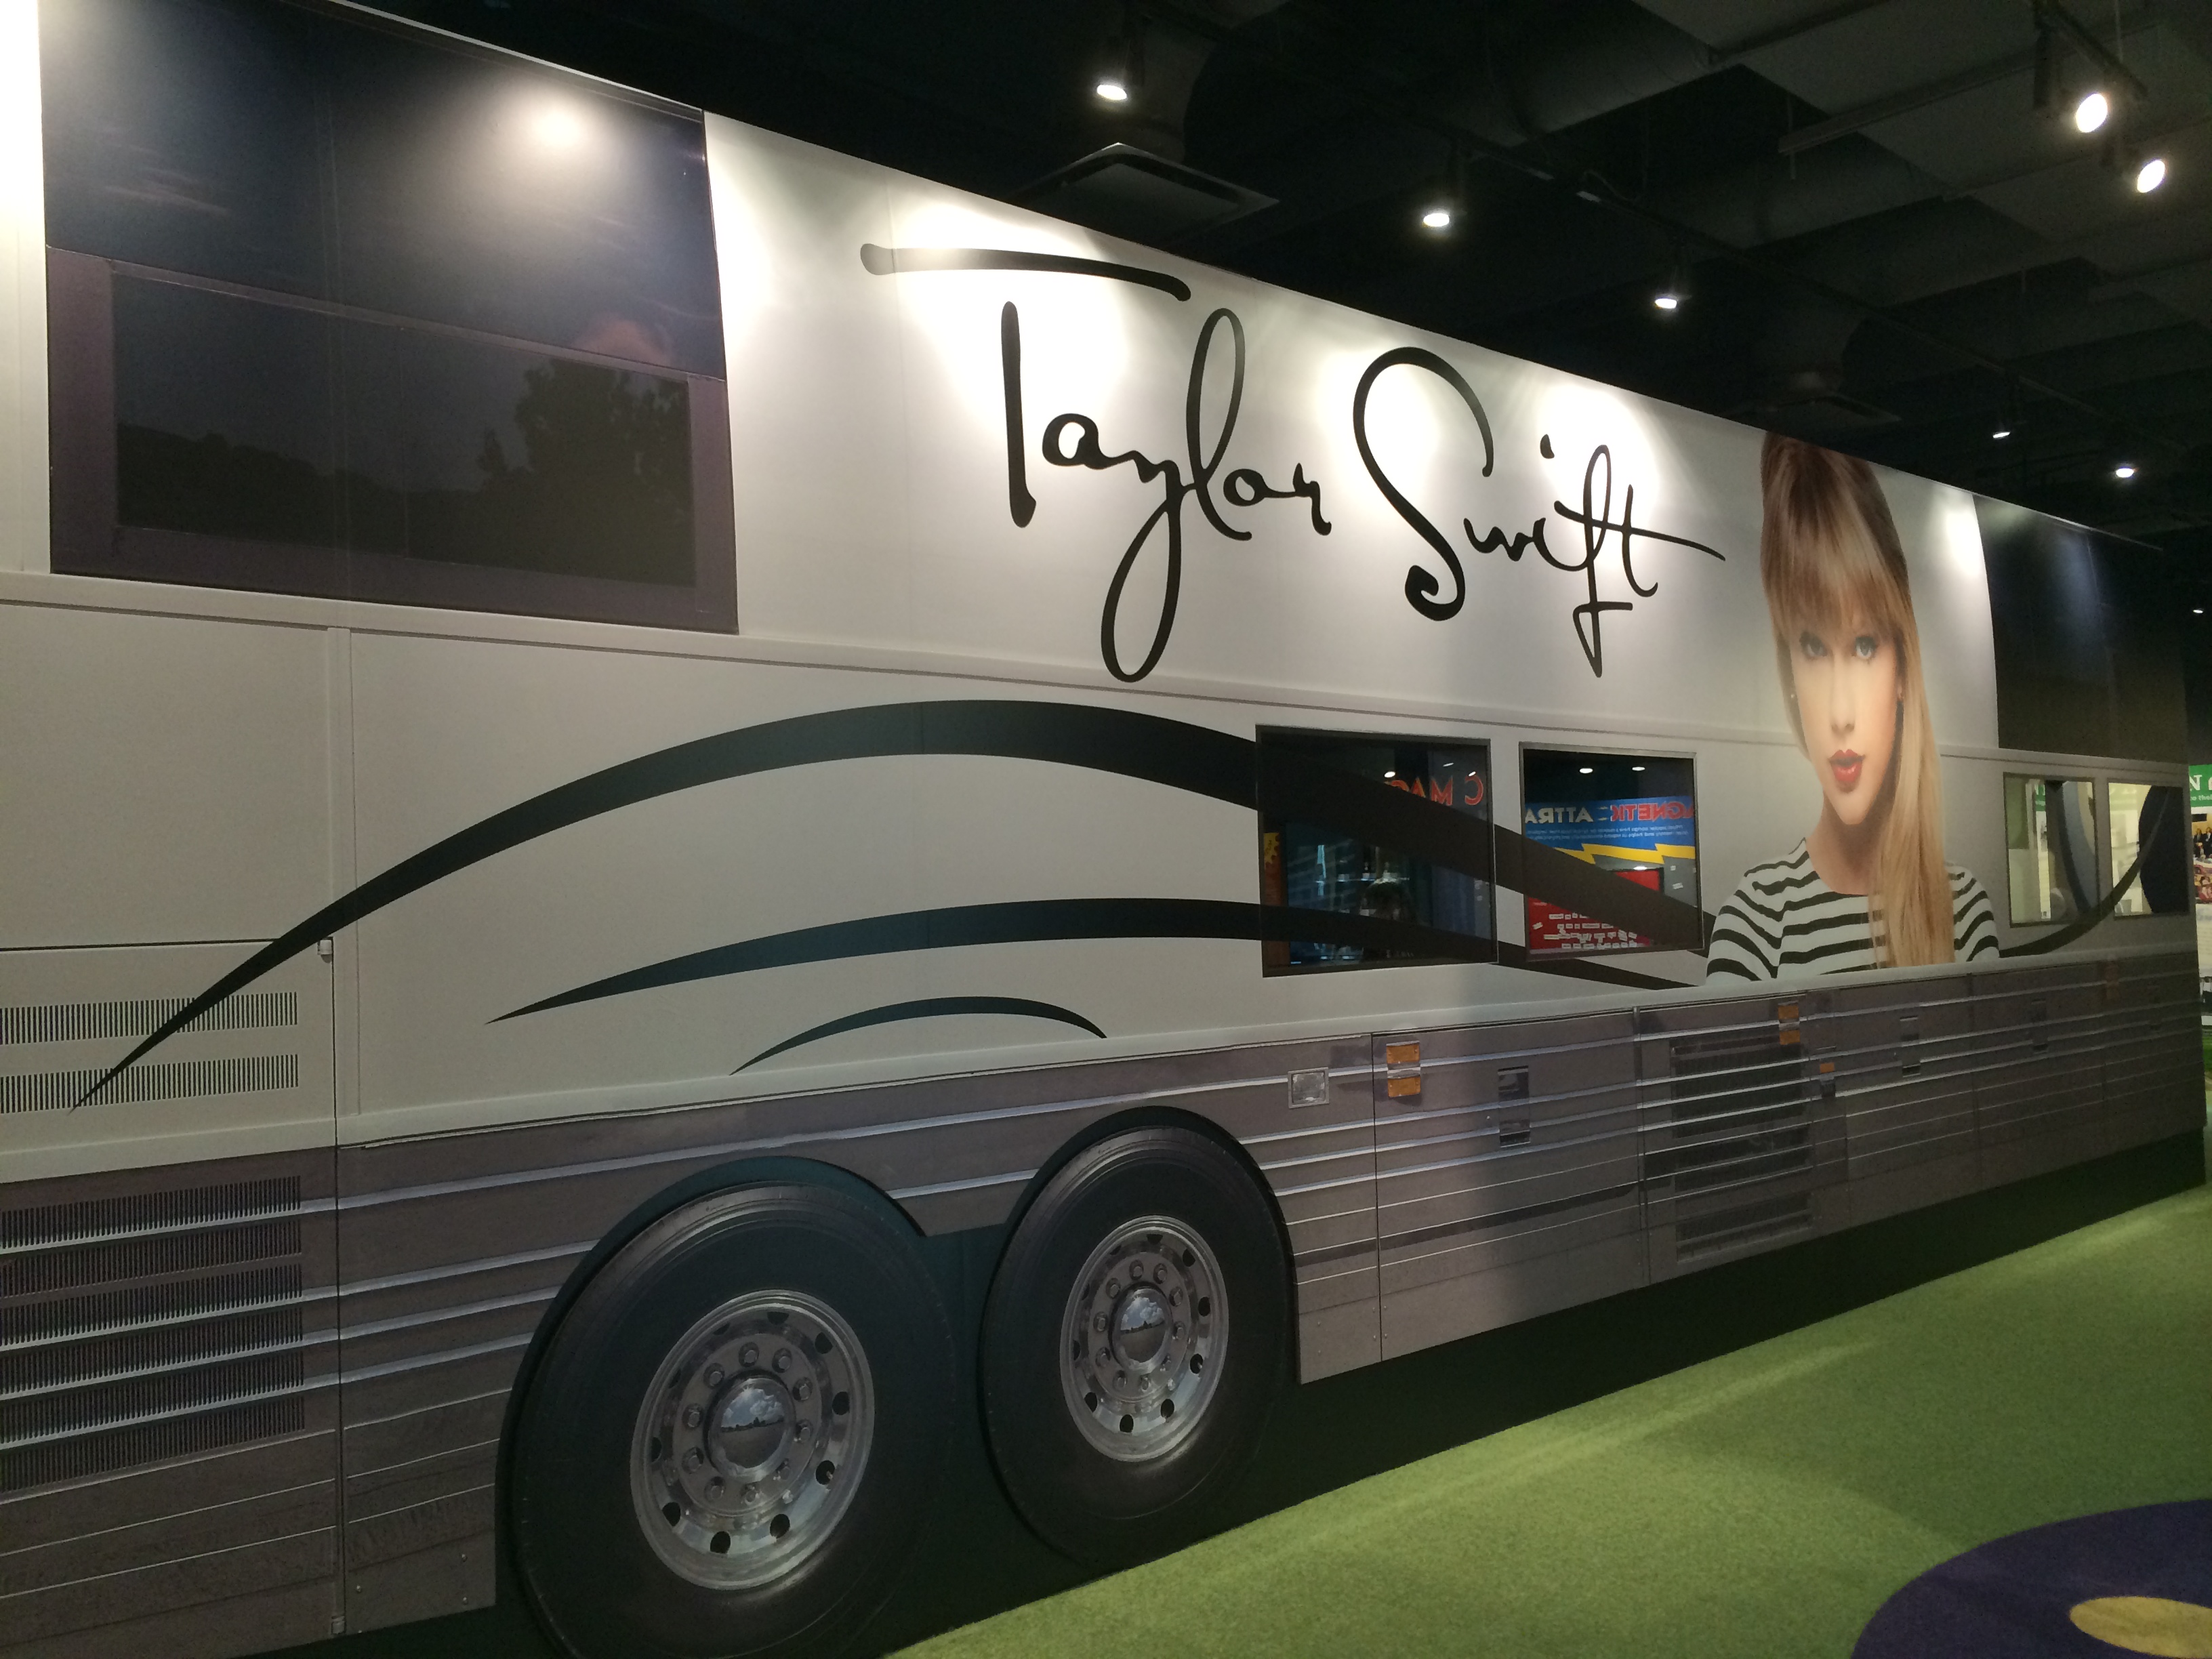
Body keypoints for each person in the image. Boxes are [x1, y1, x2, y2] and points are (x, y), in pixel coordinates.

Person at [1708, 436, 1999, 979]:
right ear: (1789, 669)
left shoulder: (1962, 911)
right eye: (1813, 648)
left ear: (1902, 669)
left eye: (1865, 646)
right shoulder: (1755, 925)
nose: (1840, 714)